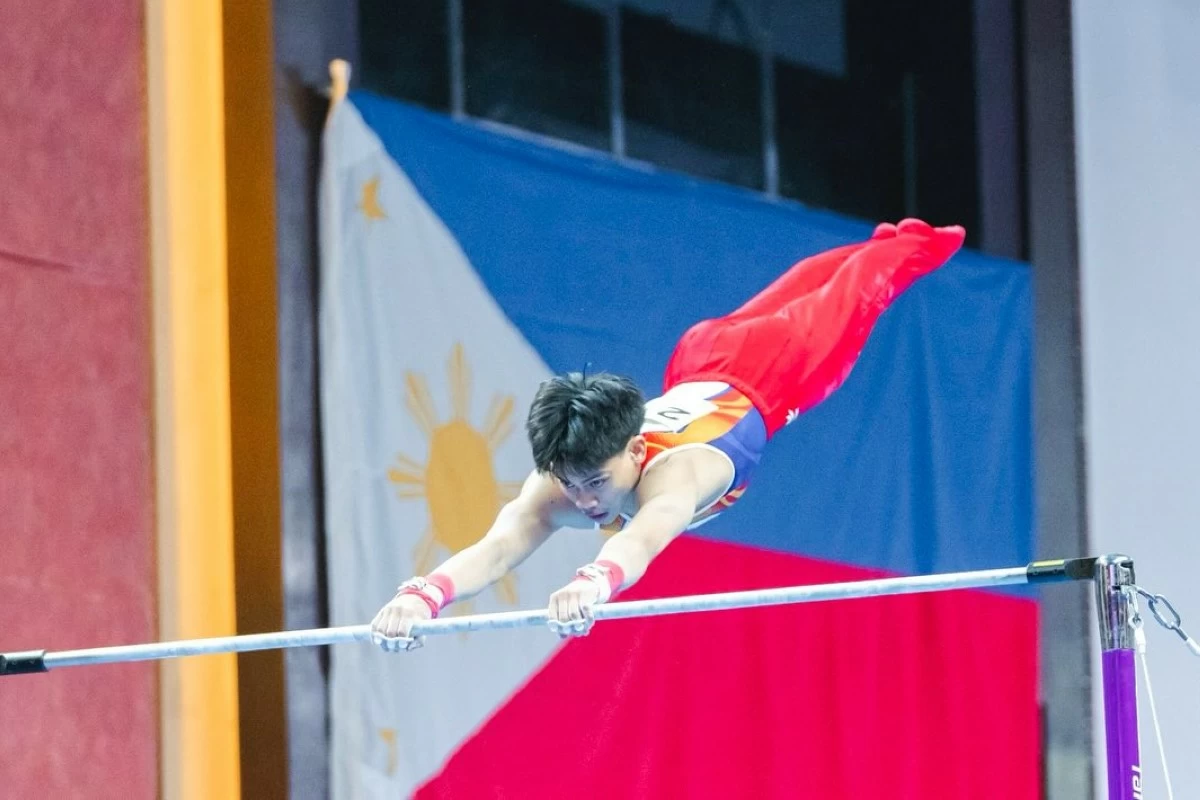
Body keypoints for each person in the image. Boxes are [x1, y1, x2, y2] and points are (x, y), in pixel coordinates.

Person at [370, 218, 966, 651]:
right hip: (700, 361)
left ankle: (908, 246)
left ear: (634, 450)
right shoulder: (561, 477)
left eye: (594, 482)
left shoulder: (676, 473)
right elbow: (497, 548)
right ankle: (880, 242)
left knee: (857, 294)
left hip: (775, 372)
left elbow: (641, 541)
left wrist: (593, 581)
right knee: (800, 290)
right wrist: (424, 595)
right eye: (569, 483)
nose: (582, 500)